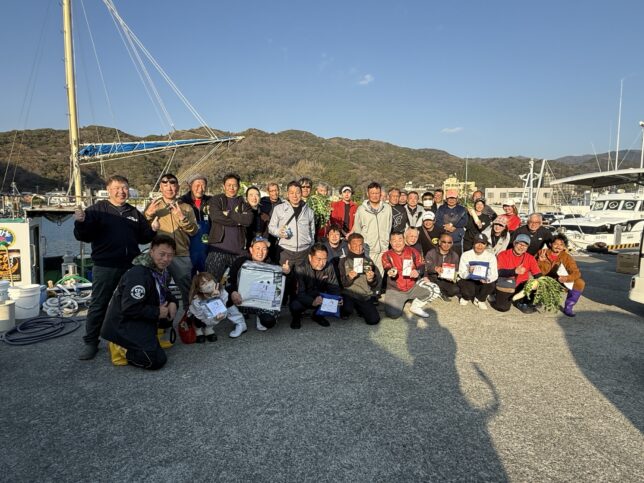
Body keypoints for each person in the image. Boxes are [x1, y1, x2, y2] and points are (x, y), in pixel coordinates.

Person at [74, 174, 156, 361]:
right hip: (106, 266)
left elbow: (143, 237)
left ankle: (130, 336)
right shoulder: (97, 210)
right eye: (117, 188)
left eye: (125, 187)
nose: (121, 191)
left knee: (133, 302)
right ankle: (91, 342)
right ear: (108, 190)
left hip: (131, 265)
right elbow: (83, 236)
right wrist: (80, 222)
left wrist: (153, 229)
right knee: (99, 304)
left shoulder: (134, 212)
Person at [100, 235, 178, 370]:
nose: (166, 259)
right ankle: (120, 347)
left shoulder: (160, 271)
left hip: (142, 316)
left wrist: (173, 302)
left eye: (170, 255)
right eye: (162, 254)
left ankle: (154, 336)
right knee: (155, 360)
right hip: (125, 322)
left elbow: (163, 291)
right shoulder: (139, 274)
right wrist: (157, 312)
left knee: (169, 307)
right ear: (151, 252)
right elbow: (130, 308)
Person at [144, 173, 199, 309]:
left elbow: (193, 231)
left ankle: (190, 316)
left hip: (181, 254)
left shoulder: (186, 207)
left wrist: (182, 218)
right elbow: (142, 229)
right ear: (160, 187)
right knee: (156, 288)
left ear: (178, 187)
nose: (169, 188)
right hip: (159, 255)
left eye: (172, 184)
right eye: (165, 184)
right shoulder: (153, 206)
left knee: (188, 290)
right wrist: (148, 214)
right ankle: (159, 317)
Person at [228, 236, 291, 331]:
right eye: (257, 248)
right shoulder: (241, 261)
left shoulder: (271, 265)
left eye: (264, 249)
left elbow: (279, 288)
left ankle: (259, 315)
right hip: (241, 299)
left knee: (269, 322)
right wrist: (233, 292)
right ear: (251, 249)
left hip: (262, 302)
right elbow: (229, 280)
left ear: (267, 251)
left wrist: (286, 273)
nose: (260, 252)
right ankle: (239, 322)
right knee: (225, 294)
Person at [268, 180, 316, 301]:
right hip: (285, 250)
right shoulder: (279, 209)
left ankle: (297, 304)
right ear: (287, 194)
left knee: (300, 281)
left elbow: (312, 231)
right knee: (283, 278)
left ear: (302, 193)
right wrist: (279, 232)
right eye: (291, 192)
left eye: (297, 192)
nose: (295, 195)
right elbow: (271, 227)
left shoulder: (309, 211)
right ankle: (280, 302)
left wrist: (310, 244)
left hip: (304, 251)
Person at [205, 173, 254, 284]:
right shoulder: (216, 200)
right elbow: (216, 217)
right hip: (218, 250)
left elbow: (248, 220)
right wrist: (238, 221)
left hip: (239, 252)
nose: (232, 188)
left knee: (239, 284)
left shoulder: (244, 203)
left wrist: (229, 213)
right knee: (211, 283)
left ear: (239, 187)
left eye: (234, 185)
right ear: (224, 186)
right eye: (229, 185)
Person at [381, 231, 440, 318]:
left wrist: (418, 271)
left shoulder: (413, 251)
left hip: (412, 286)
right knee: (393, 314)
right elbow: (387, 267)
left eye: (400, 240)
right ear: (390, 242)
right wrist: (391, 272)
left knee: (434, 289)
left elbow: (421, 265)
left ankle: (415, 306)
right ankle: (401, 299)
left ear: (404, 240)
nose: (397, 243)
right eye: (394, 240)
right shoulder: (386, 255)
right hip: (396, 290)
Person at [289, 243, 342, 329]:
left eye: (324, 259)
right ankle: (296, 318)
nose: (322, 263)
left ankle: (318, 316)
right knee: (295, 305)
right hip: (304, 296)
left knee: (338, 301)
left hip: (320, 296)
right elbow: (300, 293)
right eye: (318, 259)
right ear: (310, 257)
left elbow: (334, 287)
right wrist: (312, 301)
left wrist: (337, 298)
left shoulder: (329, 266)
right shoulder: (300, 268)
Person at [492, 234, 543, 313]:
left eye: (525, 245)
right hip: (506, 284)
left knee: (539, 283)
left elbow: (537, 273)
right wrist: (514, 271)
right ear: (514, 243)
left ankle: (521, 301)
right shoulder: (503, 254)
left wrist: (544, 282)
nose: (521, 247)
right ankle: (496, 295)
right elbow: (498, 272)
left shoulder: (530, 258)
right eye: (520, 244)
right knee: (502, 308)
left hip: (521, 286)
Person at [188, 271, 247, 339]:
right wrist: (213, 320)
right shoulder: (197, 300)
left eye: (209, 281)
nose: (208, 285)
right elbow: (201, 316)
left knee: (216, 315)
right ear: (200, 289)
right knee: (198, 321)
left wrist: (218, 297)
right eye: (203, 284)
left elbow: (224, 308)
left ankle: (208, 329)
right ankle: (198, 330)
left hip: (211, 318)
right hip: (200, 317)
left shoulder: (221, 291)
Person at [537, 234, 585, 317]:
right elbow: (531, 267)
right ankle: (535, 300)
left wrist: (566, 278)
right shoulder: (542, 252)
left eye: (561, 245)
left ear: (564, 247)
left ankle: (569, 307)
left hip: (559, 280)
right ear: (550, 244)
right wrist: (539, 261)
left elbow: (576, 273)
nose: (558, 247)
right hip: (543, 280)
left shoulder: (567, 257)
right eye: (556, 244)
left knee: (579, 283)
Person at [353, 181, 393, 281]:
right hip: (368, 249)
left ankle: (377, 290)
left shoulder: (387, 208)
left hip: (383, 248)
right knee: (368, 273)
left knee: (380, 275)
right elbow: (358, 229)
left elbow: (389, 227)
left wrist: (385, 240)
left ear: (380, 194)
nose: (375, 196)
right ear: (368, 194)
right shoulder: (361, 209)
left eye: (377, 193)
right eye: (372, 193)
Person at [338, 233, 381, 325]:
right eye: (355, 245)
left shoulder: (368, 261)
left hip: (364, 295)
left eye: (360, 245)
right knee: (347, 310)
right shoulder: (343, 261)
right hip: (348, 294)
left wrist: (371, 279)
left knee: (374, 320)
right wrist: (350, 277)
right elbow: (341, 283)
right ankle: (347, 310)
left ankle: (359, 308)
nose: (358, 248)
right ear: (349, 246)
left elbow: (375, 284)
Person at [179, 173, 211, 275]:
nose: (200, 189)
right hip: (188, 247)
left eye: (203, 185)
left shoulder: (211, 201)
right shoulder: (182, 202)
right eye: (197, 185)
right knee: (188, 276)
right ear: (190, 186)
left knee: (206, 276)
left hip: (206, 247)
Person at [458, 233, 498, 310]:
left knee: (491, 284)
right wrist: (468, 272)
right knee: (464, 286)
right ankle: (466, 297)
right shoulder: (466, 255)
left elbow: (494, 274)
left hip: (483, 281)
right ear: (473, 243)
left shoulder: (491, 256)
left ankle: (480, 299)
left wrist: (487, 279)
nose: (480, 246)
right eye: (477, 243)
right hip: (469, 280)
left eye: (483, 243)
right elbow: (461, 272)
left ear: (486, 245)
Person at [425, 233, 462, 301]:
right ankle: (437, 291)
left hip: (446, 280)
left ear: (452, 244)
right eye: (444, 242)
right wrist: (435, 268)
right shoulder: (431, 253)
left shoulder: (455, 255)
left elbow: (456, 270)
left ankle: (438, 292)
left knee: (455, 290)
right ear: (439, 242)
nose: (446, 244)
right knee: (425, 288)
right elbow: (426, 267)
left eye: (449, 242)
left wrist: (453, 277)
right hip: (433, 278)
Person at [435, 189, 468, 255]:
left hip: (457, 239)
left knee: (457, 257)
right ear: (446, 199)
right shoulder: (441, 208)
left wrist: (453, 226)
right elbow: (437, 221)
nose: (451, 200)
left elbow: (464, 221)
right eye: (449, 198)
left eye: (453, 198)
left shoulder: (462, 209)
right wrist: (445, 227)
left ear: (457, 199)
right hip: (444, 238)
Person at [259, 182, 282, 263]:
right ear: (268, 192)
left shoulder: (283, 204)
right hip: (263, 234)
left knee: (273, 258)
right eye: (272, 191)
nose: (274, 193)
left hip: (275, 237)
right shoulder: (262, 202)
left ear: (279, 190)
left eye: (276, 190)